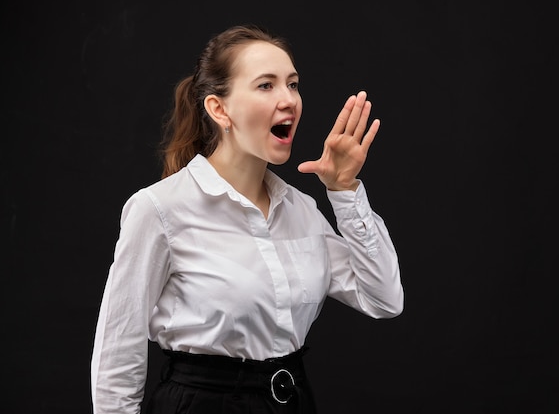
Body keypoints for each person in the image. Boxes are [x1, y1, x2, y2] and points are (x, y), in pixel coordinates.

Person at [90, 24, 404, 414]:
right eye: (266, 85)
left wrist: (343, 189)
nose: (288, 99)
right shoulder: (160, 209)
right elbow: (118, 352)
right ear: (219, 109)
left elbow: (384, 299)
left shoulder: (301, 210)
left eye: (292, 83)